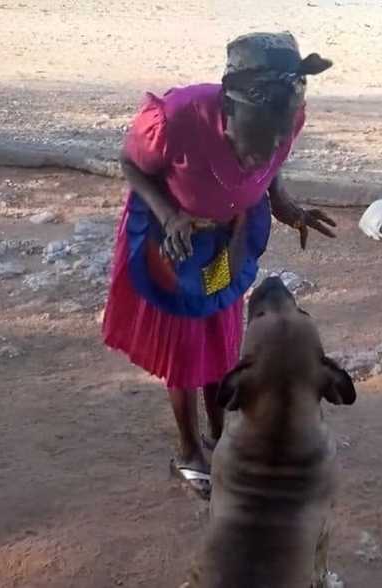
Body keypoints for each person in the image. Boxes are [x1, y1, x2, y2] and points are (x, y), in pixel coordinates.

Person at [102, 32, 337, 499]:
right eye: (249, 146)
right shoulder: (177, 117)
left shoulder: (284, 114)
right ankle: (190, 450)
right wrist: (170, 216)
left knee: (218, 339)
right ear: (226, 114)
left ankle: (220, 434)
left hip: (228, 241)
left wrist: (283, 201)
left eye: (275, 140)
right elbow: (132, 163)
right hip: (175, 243)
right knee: (185, 347)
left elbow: (268, 165)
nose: (259, 156)